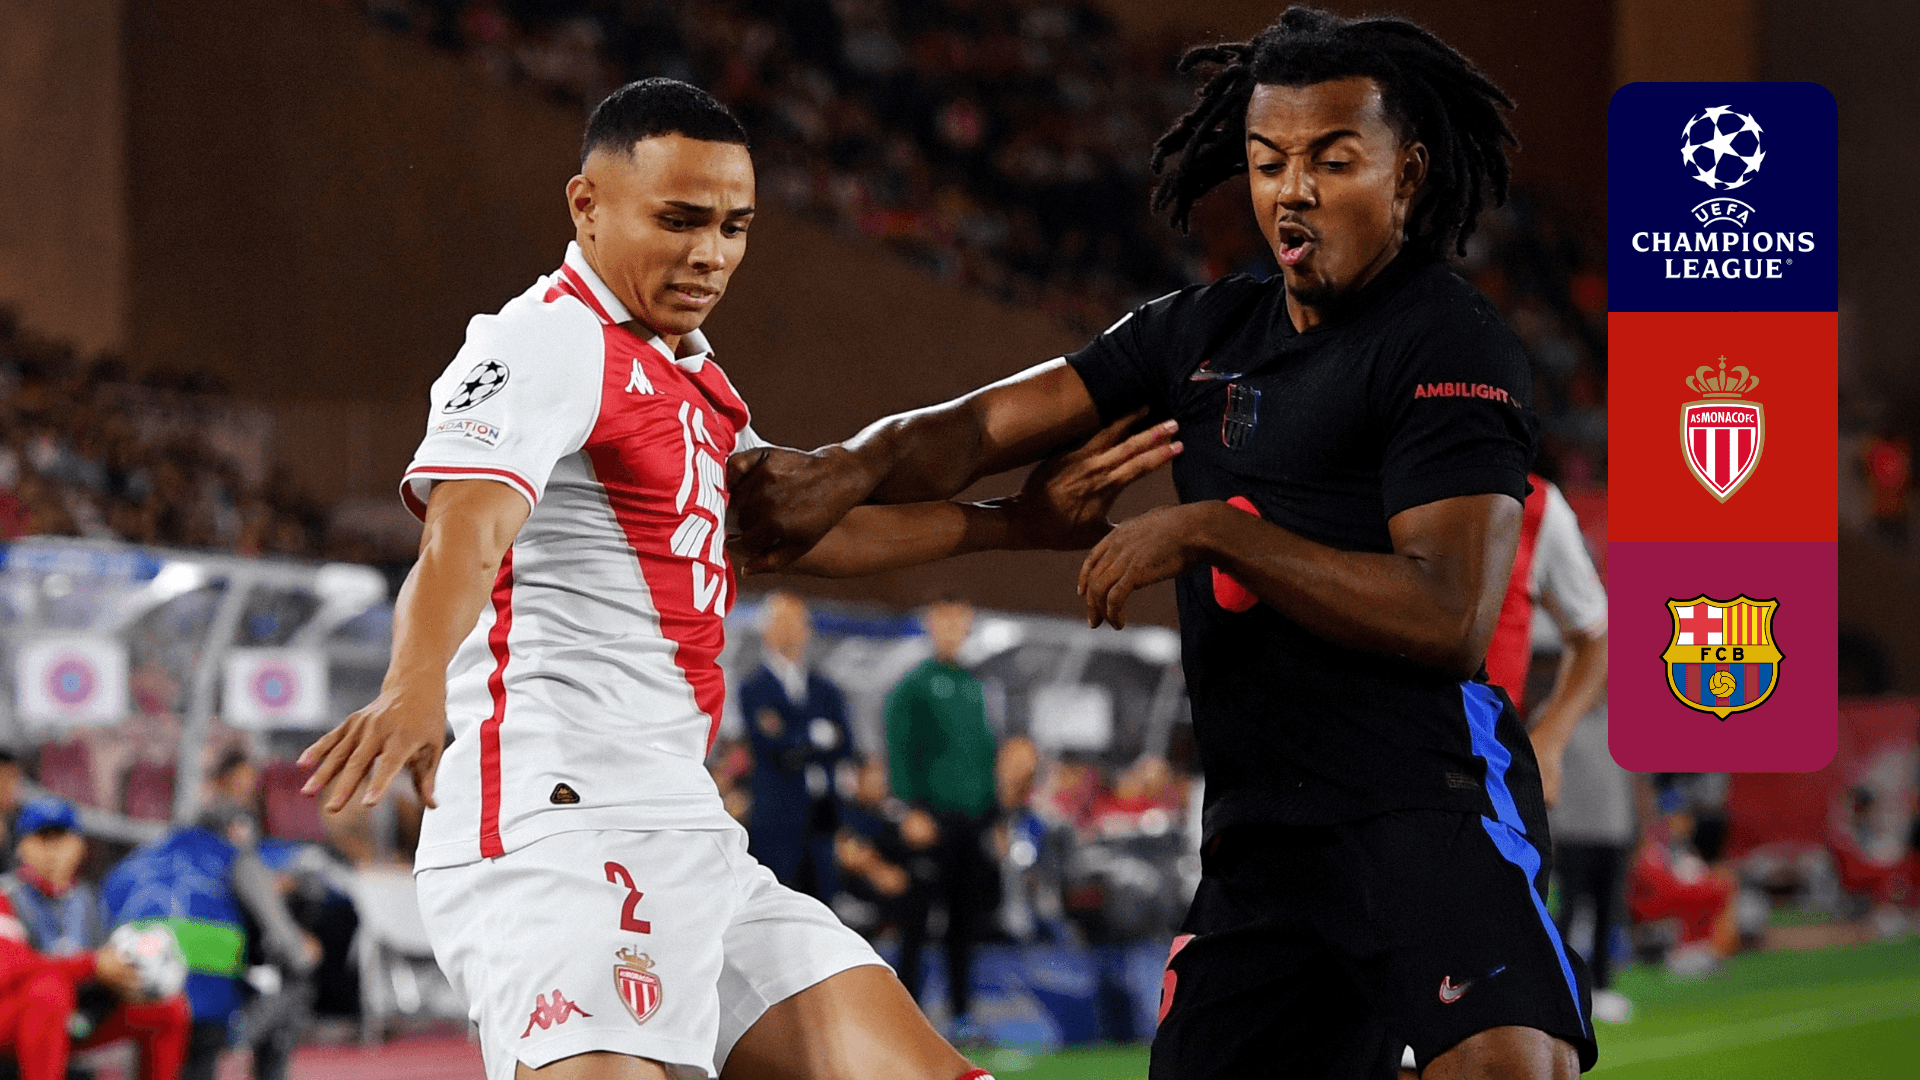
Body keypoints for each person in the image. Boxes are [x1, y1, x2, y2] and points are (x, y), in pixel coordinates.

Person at [730, 8, 1597, 1077]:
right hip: (1258, 844)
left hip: (1426, 799)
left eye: (1333, 161)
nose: (1293, 191)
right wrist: (845, 466)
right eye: (1269, 162)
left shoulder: (1450, 342)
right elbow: (980, 428)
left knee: (1510, 1065)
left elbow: (1448, 614)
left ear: (1408, 173)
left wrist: (1212, 531)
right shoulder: (1196, 333)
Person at [297, 77, 1174, 1080]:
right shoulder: (545, 340)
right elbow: (467, 528)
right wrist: (413, 687)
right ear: (587, 205)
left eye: (733, 226)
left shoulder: (697, 383)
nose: (710, 253)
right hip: (558, 829)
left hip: (690, 828)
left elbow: (795, 538)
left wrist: (1011, 523)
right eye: (678, 220)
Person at [102, 801, 318, 1080]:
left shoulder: (136, 860)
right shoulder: (237, 859)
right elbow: (291, 948)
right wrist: (306, 950)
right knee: (297, 985)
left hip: (129, 999)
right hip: (207, 1010)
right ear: (235, 831)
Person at [0, 797, 190, 1080]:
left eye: (61, 838)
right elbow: (10, 970)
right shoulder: (6, 897)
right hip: (16, 1018)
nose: (53, 849)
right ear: (22, 847)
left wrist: (125, 976)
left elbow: (105, 960)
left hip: (74, 1016)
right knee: (49, 990)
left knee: (168, 1007)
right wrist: (93, 965)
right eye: (42, 838)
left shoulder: (88, 900)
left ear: (80, 846)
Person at [883, 599, 999, 1038]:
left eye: (960, 619)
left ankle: (962, 1014)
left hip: (971, 822)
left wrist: (996, 817)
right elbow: (899, 748)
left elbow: (984, 753)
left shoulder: (973, 685)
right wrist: (908, 809)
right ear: (931, 622)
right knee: (916, 924)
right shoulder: (914, 684)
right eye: (945, 618)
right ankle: (906, 1018)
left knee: (964, 923)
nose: (953, 627)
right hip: (929, 820)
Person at [738, 592, 853, 901]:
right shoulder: (754, 688)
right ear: (766, 629)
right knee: (778, 900)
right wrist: (815, 738)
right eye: (782, 622)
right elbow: (776, 750)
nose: (791, 630)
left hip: (823, 813)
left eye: (797, 622)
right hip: (777, 816)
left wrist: (797, 738)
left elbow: (844, 744)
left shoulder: (825, 688)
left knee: (825, 901)